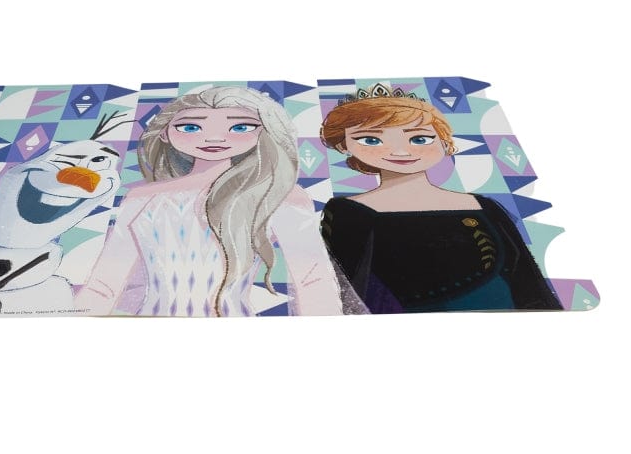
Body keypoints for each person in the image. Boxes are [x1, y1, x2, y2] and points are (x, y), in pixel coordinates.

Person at [77, 86, 344, 316]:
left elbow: (313, 279)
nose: (214, 138)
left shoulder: (278, 195)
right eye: (190, 127)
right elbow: (104, 284)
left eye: (240, 127)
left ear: (264, 132)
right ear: (164, 133)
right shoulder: (141, 198)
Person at [319, 84, 562, 312]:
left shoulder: (483, 206)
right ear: (344, 145)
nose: (401, 151)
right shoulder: (347, 211)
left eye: (419, 139)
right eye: (371, 140)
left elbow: (527, 279)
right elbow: (343, 287)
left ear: (444, 141)